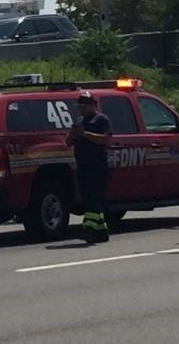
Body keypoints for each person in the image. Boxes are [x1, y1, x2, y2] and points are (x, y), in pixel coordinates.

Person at [66, 91, 112, 243]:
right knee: (89, 200)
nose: (82, 109)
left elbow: (106, 140)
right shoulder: (79, 121)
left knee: (94, 200)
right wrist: (73, 133)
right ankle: (101, 231)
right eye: (80, 107)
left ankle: (90, 230)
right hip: (83, 166)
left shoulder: (101, 119)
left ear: (93, 105)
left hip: (97, 166)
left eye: (85, 106)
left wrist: (85, 134)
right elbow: (68, 142)